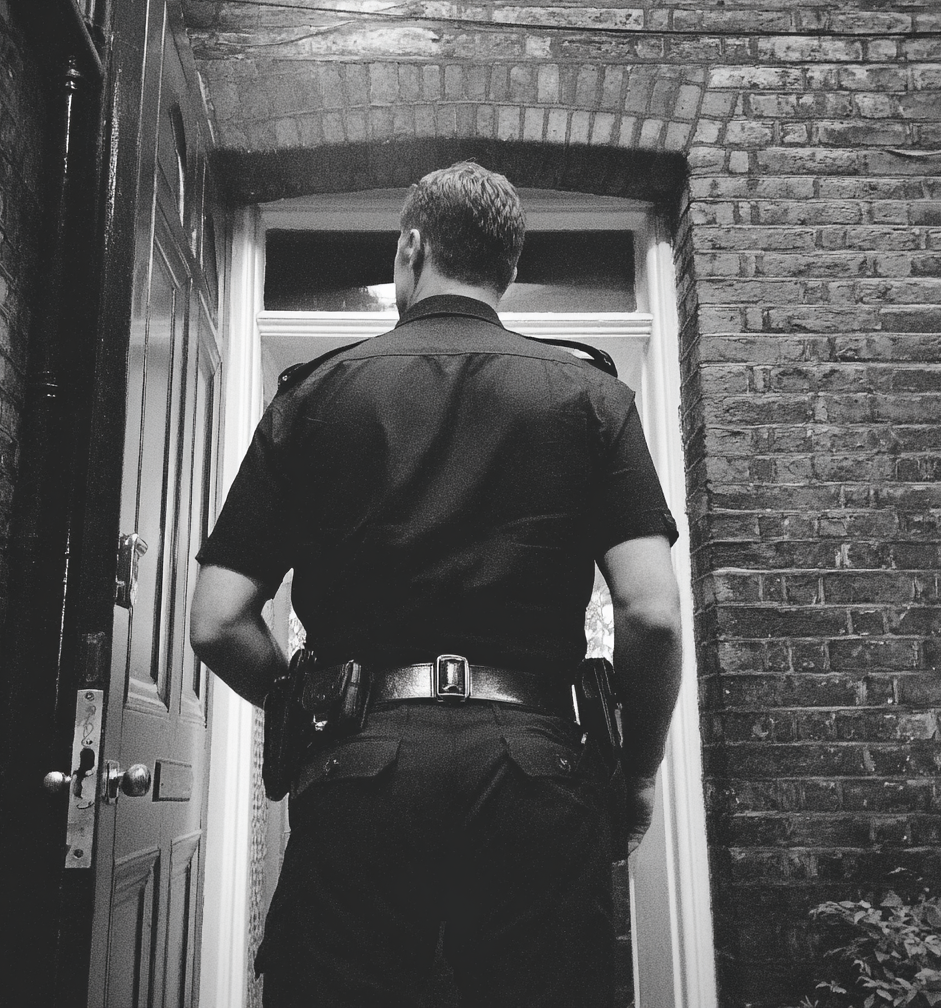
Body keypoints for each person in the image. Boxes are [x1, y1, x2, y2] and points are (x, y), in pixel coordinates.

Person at [190, 161, 682, 1008]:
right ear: (509, 268)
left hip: (360, 765)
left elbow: (216, 620)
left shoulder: (313, 399)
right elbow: (653, 614)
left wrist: (320, 710)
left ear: (411, 248)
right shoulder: (591, 396)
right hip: (538, 768)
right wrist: (637, 771)